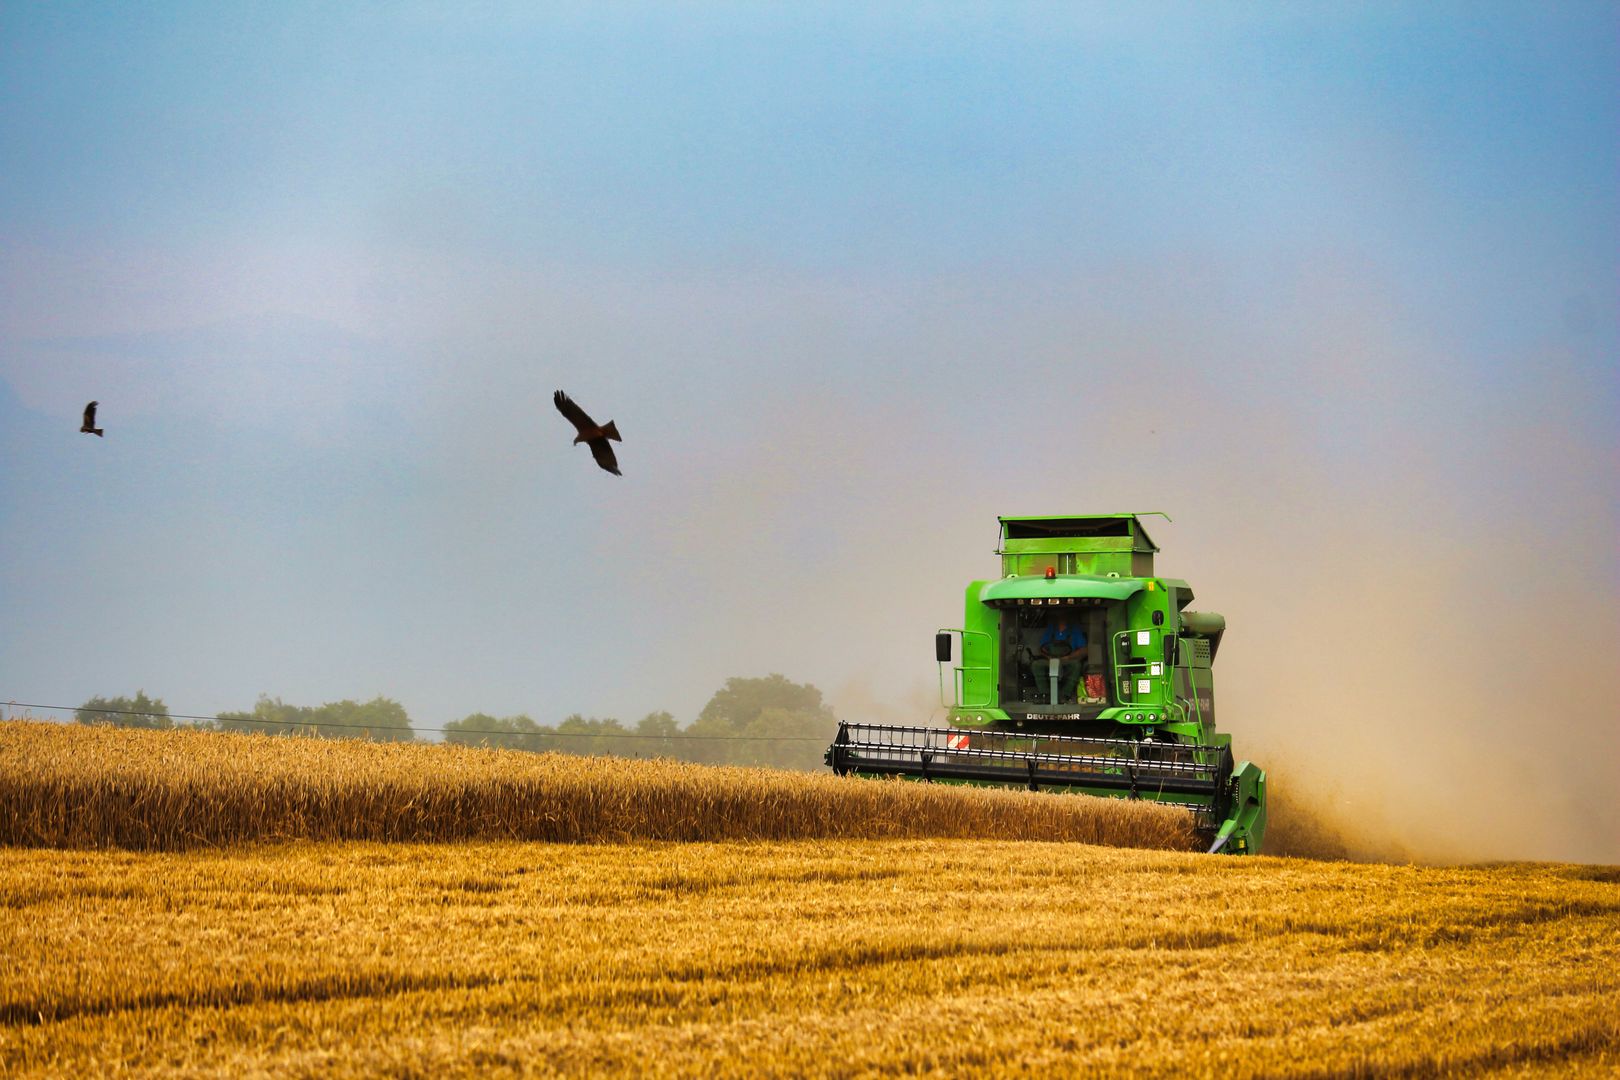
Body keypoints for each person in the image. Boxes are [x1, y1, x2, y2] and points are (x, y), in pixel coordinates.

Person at [1031, 615, 1088, 703]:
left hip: (1067, 660)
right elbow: (1041, 648)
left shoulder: (1075, 629)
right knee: (1036, 665)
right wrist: (1048, 657)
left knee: (1076, 665)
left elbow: (1084, 650)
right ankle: (1045, 695)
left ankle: (1065, 695)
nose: (1060, 615)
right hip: (1050, 659)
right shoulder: (1051, 628)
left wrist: (1069, 657)